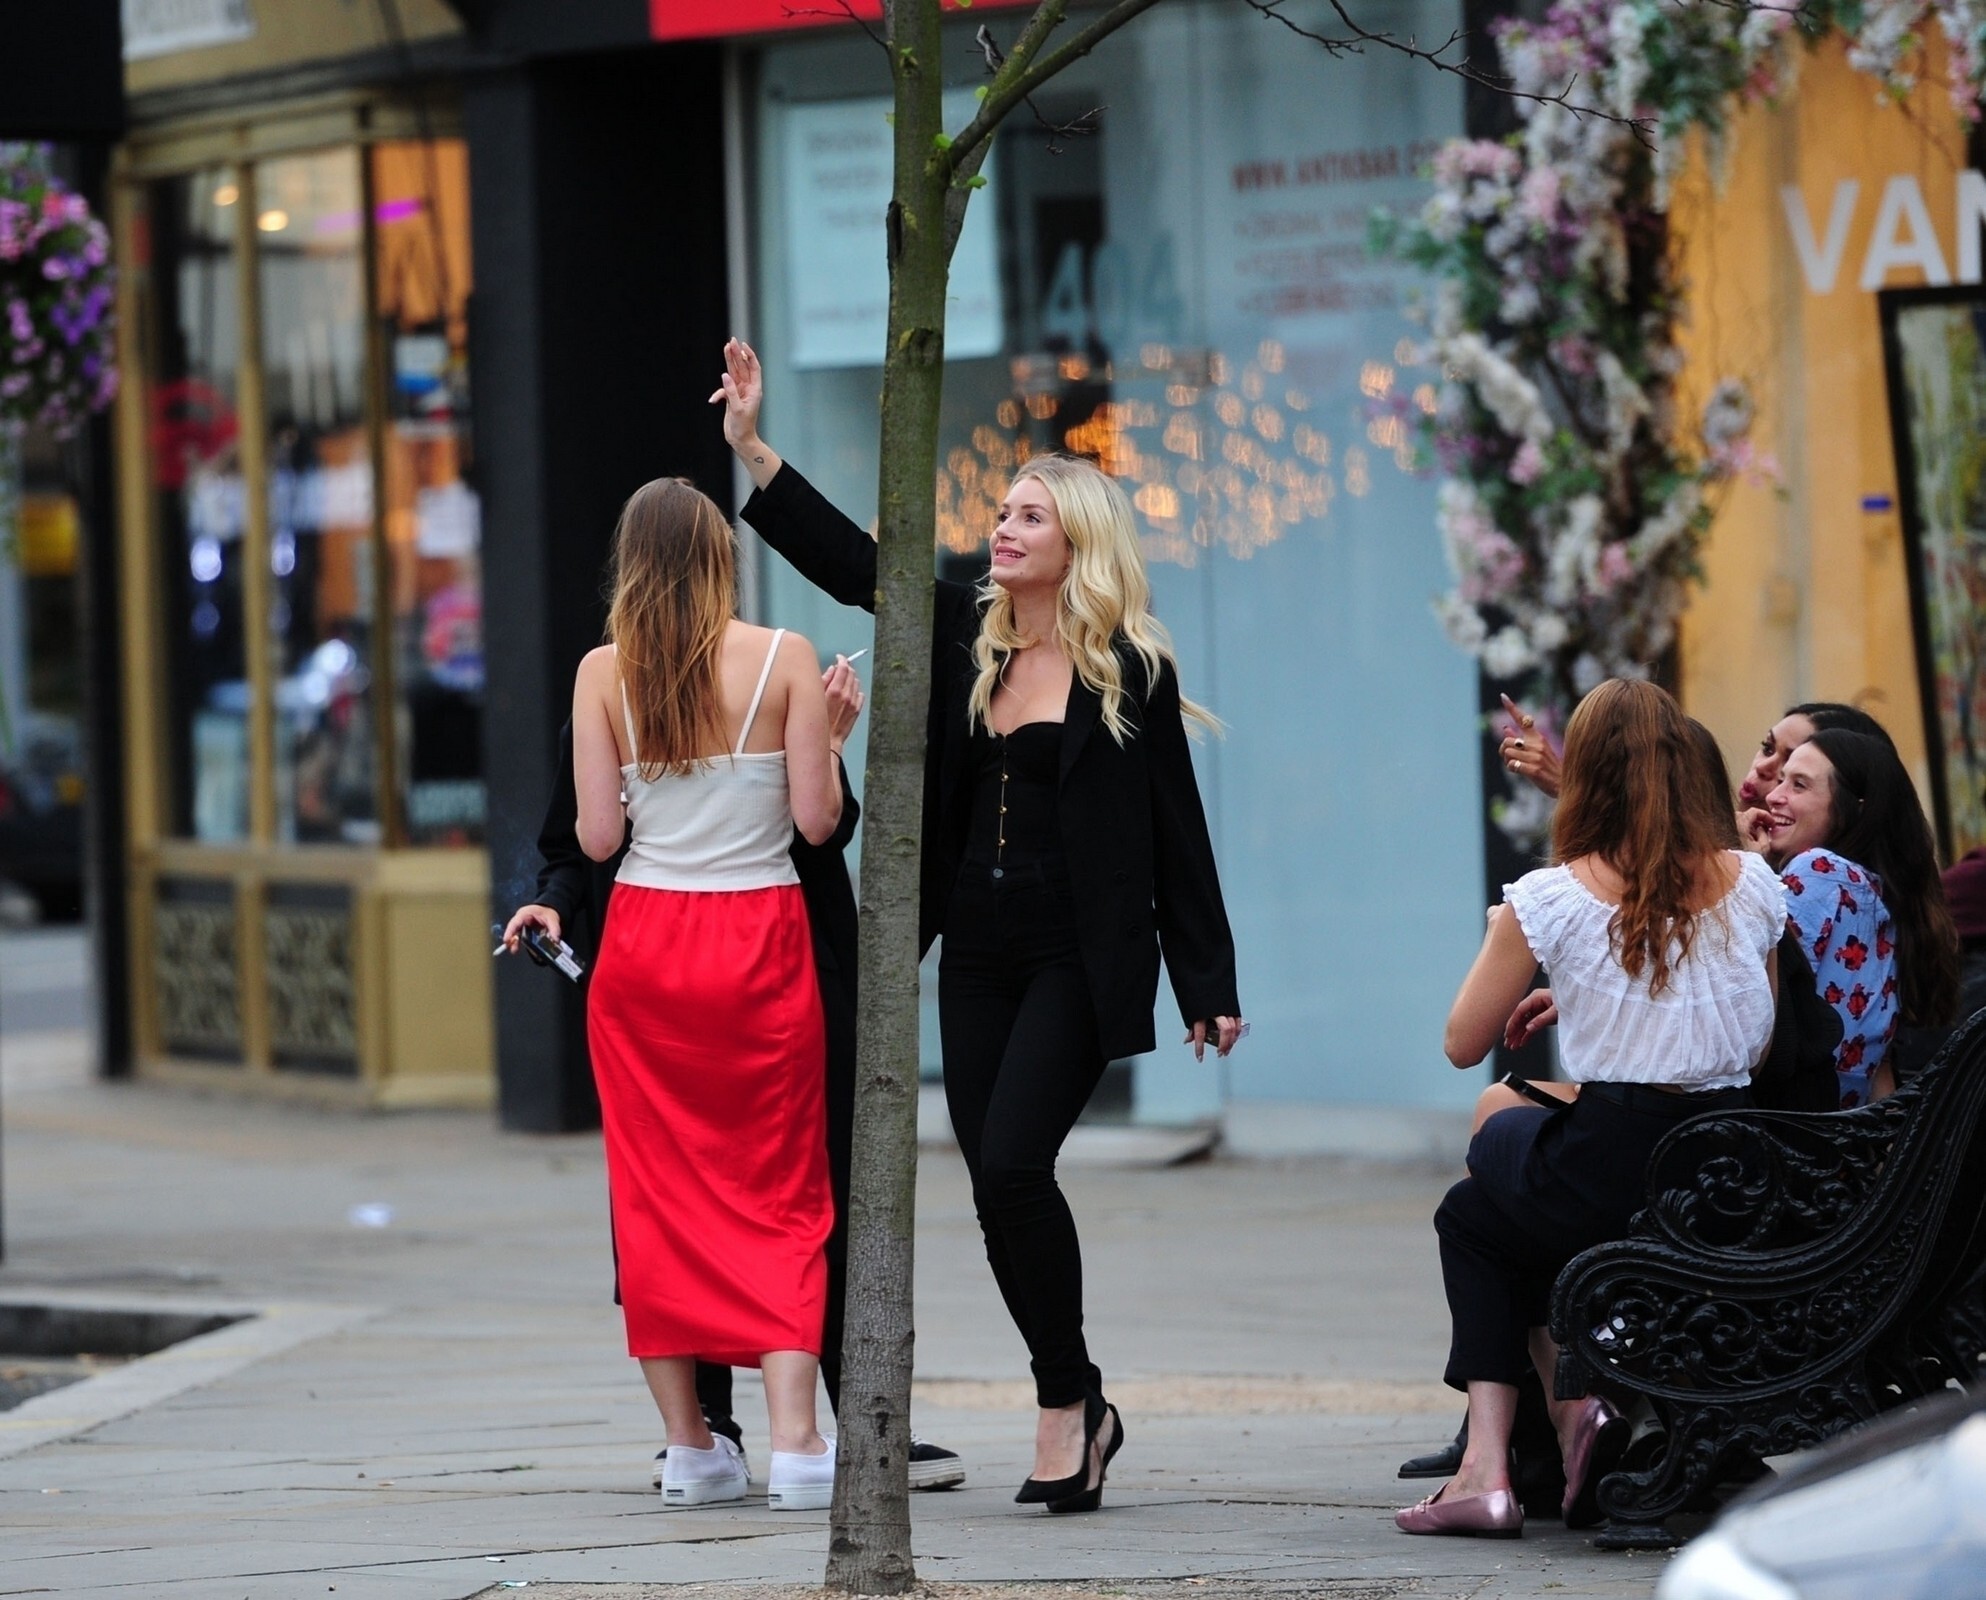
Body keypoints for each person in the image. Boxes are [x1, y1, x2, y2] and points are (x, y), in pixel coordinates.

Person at [710, 338, 1243, 1514]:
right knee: (996, 1186)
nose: (1004, 527)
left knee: (1012, 1165)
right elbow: (859, 564)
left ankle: (1064, 1403)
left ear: (1077, 543)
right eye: (1002, 511)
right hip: (977, 953)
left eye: (1029, 516)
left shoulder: (1129, 671)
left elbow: (1177, 828)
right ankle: (1082, 1400)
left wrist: (1208, 979)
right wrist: (753, 448)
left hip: (1078, 954)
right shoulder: (967, 630)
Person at [503, 690, 966, 1492]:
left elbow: (823, 831)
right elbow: (575, 844)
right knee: (698, 1194)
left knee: (804, 1186)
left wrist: (820, 745)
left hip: (778, 960)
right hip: (715, 959)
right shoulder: (620, 692)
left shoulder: (752, 682)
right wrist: (553, 899)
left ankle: (819, 1424)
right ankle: (721, 1427)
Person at [1398, 679, 1784, 1538]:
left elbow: (1463, 1043)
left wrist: (1513, 938)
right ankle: (1538, 1437)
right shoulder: (1755, 885)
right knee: (1491, 1204)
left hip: (1614, 1169)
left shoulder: (1555, 898)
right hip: (1731, 1174)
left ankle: (1506, 1457)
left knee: (1478, 1196)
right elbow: (1751, 1047)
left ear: (1585, 777)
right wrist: (1593, 994)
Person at [569, 475, 842, 1512]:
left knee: (655, 1197)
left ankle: (691, 1446)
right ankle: (797, 1443)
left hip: (646, 947)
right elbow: (817, 823)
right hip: (758, 938)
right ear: (723, 558)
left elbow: (599, 838)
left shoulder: (603, 671)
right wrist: (830, 744)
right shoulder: (787, 657)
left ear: (631, 565)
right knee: (781, 1188)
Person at [1742, 728, 1960, 1105]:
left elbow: (1749, 993)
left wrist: (1745, 869)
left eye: (1799, 785)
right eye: (1781, 781)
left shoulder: (1818, 870)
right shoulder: (1879, 892)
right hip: (1838, 1127)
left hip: (1782, 1118)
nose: (1775, 796)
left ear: (1854, 808)